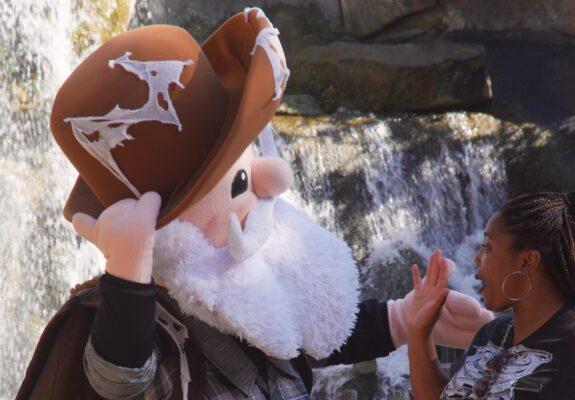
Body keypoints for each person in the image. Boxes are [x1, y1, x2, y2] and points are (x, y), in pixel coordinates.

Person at [17, 8, 493, 400]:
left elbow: (301, 332)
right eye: (240, 179)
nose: (273, 181)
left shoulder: (235, 276)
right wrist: (127, 282)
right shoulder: (141, 324)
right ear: (152, 229)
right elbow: (117, 381)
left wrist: (404, 319)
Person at [407, 191, 575, 400]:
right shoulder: (494, 333)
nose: (477, 260)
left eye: (487, 247)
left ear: (527, 262)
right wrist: (419, 332)